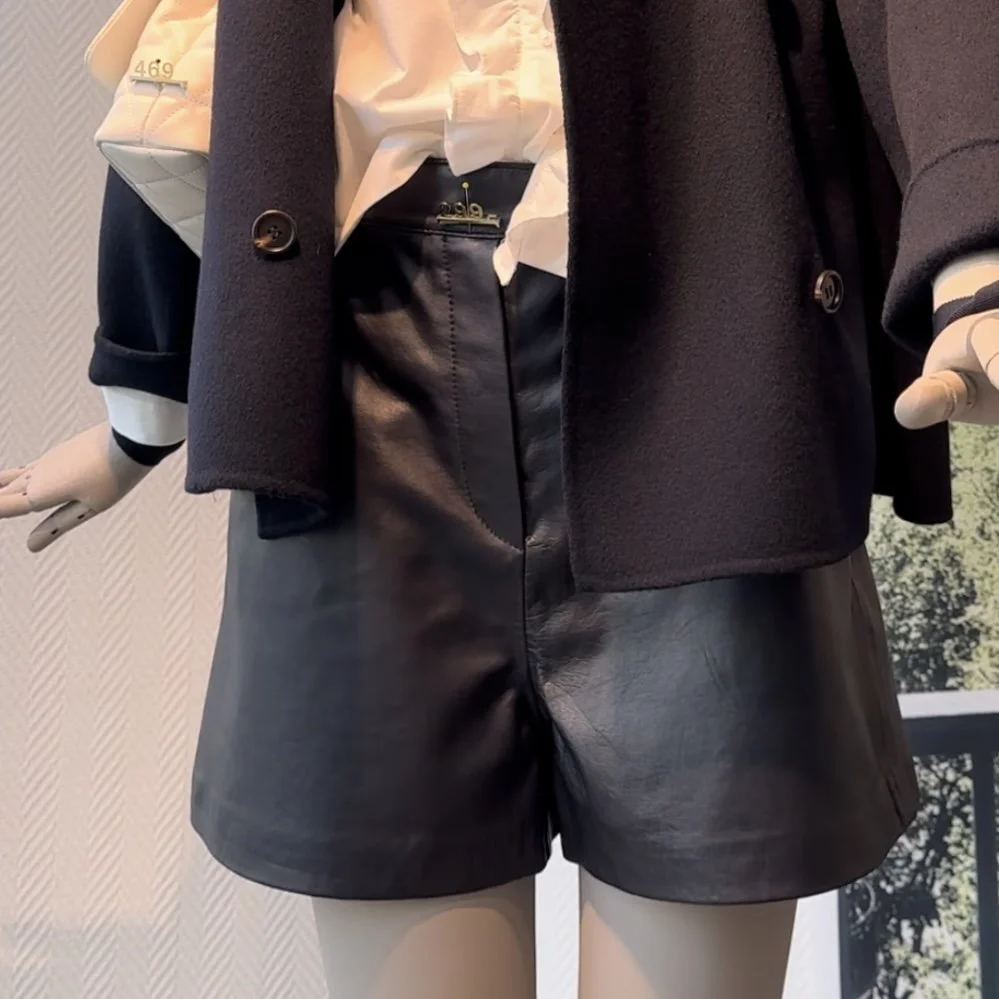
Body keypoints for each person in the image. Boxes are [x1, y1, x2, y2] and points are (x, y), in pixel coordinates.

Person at [4, 1, 999, 996]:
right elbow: (205, 38)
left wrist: (975, 250)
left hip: (708, 357)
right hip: (351, 393)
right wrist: (145, 394)